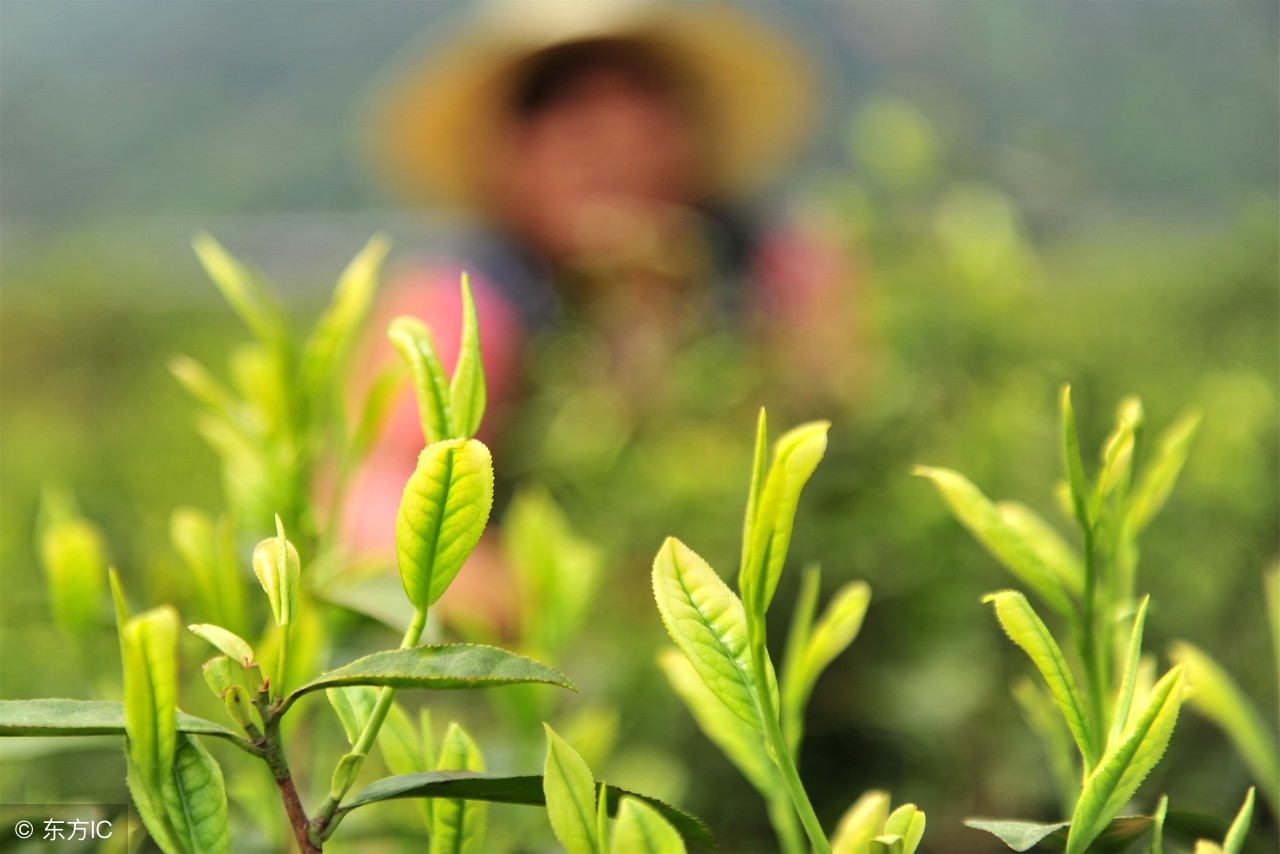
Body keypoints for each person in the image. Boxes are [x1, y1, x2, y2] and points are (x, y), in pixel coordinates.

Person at [341, 0, 855, 630]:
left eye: (641, 97)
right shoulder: (469, 301)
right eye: (558, 101)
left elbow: (855, 436)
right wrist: (556, 621)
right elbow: (370, 495)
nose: (609, 135)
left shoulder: (775, 271)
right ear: (506, 151)